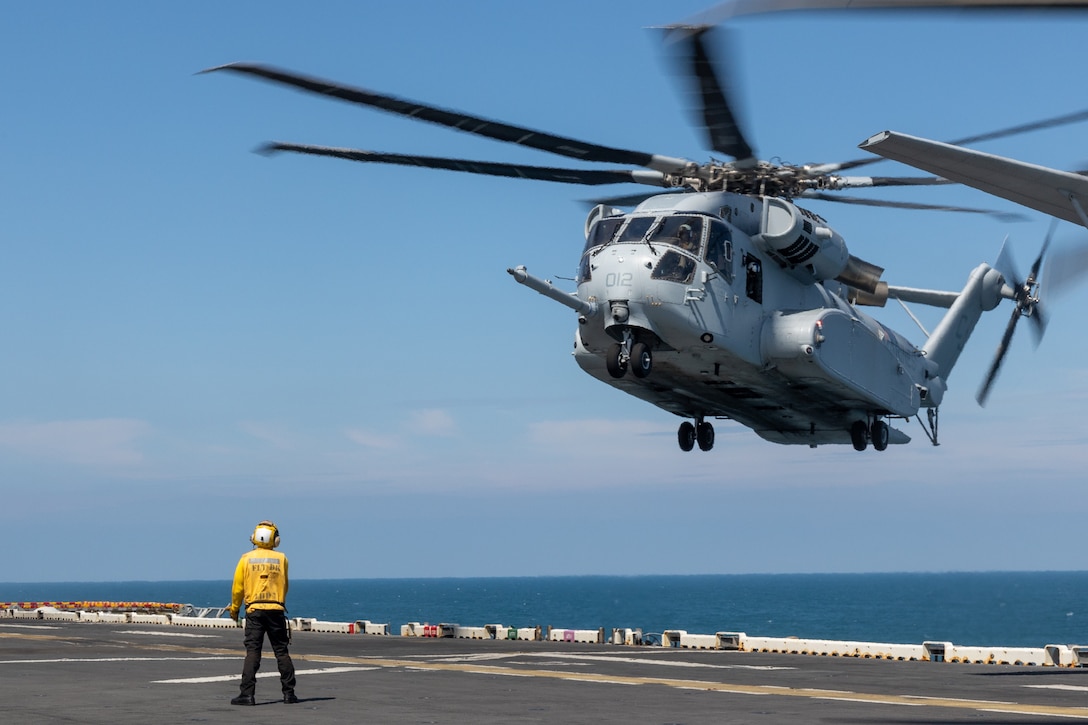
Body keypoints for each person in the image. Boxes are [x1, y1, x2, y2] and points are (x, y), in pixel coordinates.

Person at [228, 520, 298, 705]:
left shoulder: (246, 558)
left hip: (254, 610)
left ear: (254, 537)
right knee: (281, 651)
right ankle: (289, 693)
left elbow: (238, 588)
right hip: (276, 609)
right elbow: (285, 585)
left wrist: (235, 609)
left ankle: (247, 694)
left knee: (253, 652)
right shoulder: (282, 559)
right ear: (276, 540)